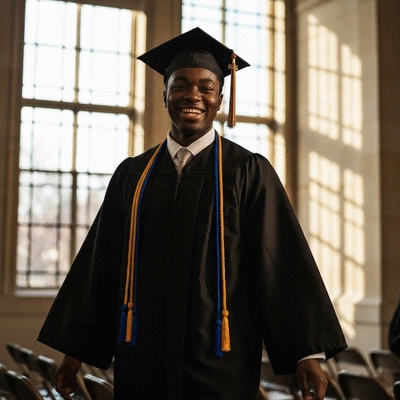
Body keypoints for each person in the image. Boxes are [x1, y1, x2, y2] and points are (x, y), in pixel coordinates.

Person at [37, 27, 347, 400]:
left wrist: (305, 353)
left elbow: (279, 260)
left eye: (206, 87)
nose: (193, 95)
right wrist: (76, 353)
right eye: (180, 85)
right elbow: (101, 264)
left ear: (220, 99)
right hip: (142, 362)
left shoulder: (246, 172)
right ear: (164, 93)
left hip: (217, 363)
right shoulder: (133, 175)